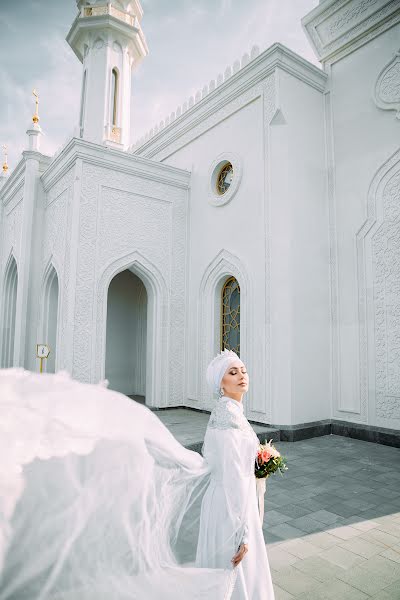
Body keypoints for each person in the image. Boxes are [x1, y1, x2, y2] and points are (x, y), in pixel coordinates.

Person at [196, 349, 275, 599]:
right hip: (233, 507)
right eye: (232, 372)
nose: (242, 376)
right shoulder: (228, 416)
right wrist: (243, 534)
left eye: (243, 370)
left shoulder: (229, 411)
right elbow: (234, 477)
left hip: (225, 502)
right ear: (221, 382)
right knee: (235, 567)